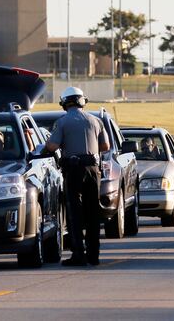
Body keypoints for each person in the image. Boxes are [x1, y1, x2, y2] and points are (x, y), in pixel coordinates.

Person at [44, 86, 110, 267]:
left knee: (75, 213)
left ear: (65, 103)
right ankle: (94, 255)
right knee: (93, 212)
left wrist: (49, 144)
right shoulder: (96, 121)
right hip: (93, 170)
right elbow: (106, 146)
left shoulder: (63, 122)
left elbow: (52, 146)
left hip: (73, 170)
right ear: (82, 101)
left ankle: (78, 254)